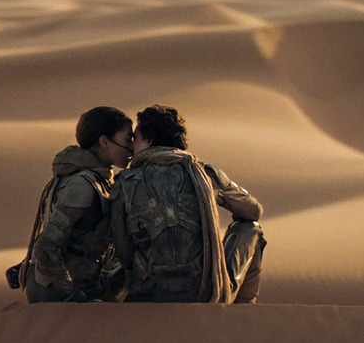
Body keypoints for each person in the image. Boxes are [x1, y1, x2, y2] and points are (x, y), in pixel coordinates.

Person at [111, 105, 266, 303]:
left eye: (136, 138)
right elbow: (253, 211)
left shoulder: (124, 182)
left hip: (148, 293)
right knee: (250, 228)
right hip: (204, 293)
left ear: (149, 140)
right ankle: (239, 314)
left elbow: (123, 249)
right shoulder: (204, 174)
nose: (132, 147)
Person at [14, 106, 133, 303]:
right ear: (104, 141)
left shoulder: (88, 178)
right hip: (58, 296)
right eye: (127, 139)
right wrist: (72, 295)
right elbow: (45, 247)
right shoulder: (82, 184)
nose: (131, 148)